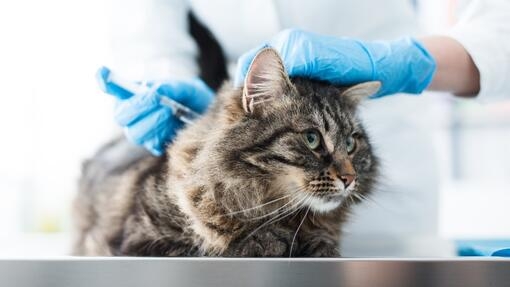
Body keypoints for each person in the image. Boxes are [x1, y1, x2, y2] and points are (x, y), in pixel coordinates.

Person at [104, 0, 510, 255]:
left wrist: (410, 61)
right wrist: (161, 79)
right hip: (254, 110)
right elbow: (147, 29)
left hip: (376, 108)